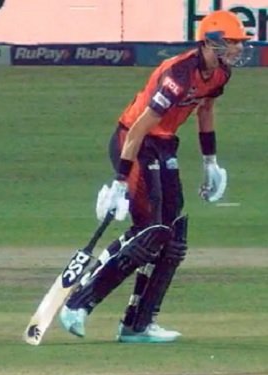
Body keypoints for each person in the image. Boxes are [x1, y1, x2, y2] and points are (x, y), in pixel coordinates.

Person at [58, 10, 251, 343]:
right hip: (135, 142)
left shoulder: (221, 73)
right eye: (232, 42)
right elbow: (137, 129)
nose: (238, 48)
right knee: (149, 230)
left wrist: (210, 161)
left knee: (172, 234)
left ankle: (138, 324)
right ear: (211, 42)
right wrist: (120, 181)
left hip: (163, 144)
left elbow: (205, 109)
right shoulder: (178, 74)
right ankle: (78, 304)